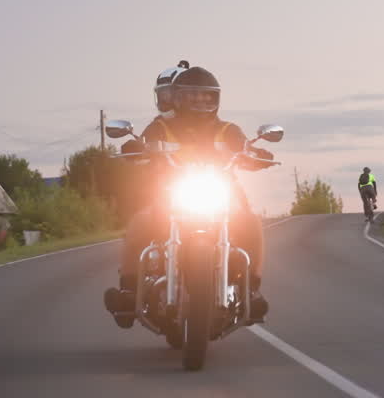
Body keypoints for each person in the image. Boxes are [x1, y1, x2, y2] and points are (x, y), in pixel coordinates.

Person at [104, 64, 271, 325]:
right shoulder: (161, 126)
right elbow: (143, 146)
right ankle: (128, 290)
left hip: (222, 194)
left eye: (206, 95)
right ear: (178, 97)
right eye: (193, 95)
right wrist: (135, 147)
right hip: (171, 193)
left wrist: (257, 154)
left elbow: (245, 148)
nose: (200, 100)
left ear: (216, 98)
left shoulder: (228, 129)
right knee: (140, 222)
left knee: (251, 222)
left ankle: (252, 289)